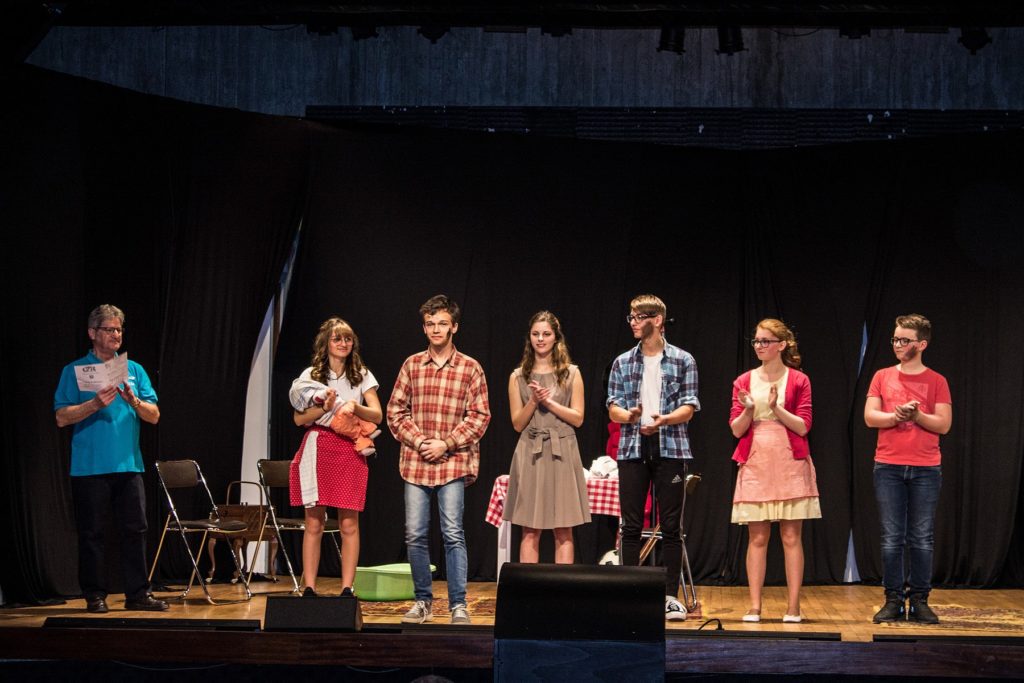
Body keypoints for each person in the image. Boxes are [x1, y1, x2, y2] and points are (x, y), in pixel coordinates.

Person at [53, 304, 168, 613]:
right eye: (109, 329)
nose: (116, 334)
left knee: (135, 530)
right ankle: (95, 594)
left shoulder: (135, 370)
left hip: (128, 465)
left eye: (119, 329)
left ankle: (138, 594)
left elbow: (154, 416)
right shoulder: (75, 370)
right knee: (92, 533)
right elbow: (62, 417)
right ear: (93, 333)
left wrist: (134, 400)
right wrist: (93, 404)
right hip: (89, 467)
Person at [387, 295, 491, 624]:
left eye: (442, 323)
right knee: (415, 534)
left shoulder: (470, 367)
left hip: (453, 461)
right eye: (430, 324)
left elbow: (479, 416)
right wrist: (421, 442)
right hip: (417, 462)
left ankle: (458, 604)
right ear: (424, 328)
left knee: (453, 533)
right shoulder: (411, 364)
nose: (436, 329)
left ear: (454, 327)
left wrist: (445, 443)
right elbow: (394, 411)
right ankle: (422, 601)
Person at [606, 294, 699, 622]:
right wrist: (630, 416)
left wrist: (664, 419)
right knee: (630, 526)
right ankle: (631, 595)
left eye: (639, 316)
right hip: (632, 451)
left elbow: (689, 405)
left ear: (657, 320)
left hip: (671, 449)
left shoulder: (682, 360)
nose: (633, 322)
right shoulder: (623, 362)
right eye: (630, 316)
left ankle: (671, 597)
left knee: (672, 527)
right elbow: (613, 405)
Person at [729, 318, 820, 623]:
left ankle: (793, 606)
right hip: (756, 458)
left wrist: (777, 407)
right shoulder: (743, 381)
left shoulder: (798, 380)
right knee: (757, 537)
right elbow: (736, 429)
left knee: (792, 536)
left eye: (765, 341)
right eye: (756, 341)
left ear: (781, 345)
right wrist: (750, 408)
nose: (759, 346)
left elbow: (804, 425)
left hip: (789, 458)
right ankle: (755, 605)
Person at [864, 314, 952, 624]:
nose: (898, 345)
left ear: (921, 344)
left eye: (904, 340)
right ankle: (892, 599)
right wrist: (896, 416)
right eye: (895, 339)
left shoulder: (936, 380)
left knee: (921, 537)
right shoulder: (882, 376)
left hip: (926, 468)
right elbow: (870, 417)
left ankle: (919, 600)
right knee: (891, 537)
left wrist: (917, 417)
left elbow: (943, 424)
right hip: (888, 466)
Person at [288, 317, 382, 597]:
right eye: (337, 339)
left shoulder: (361, 374)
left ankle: (346, 588)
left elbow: (377, 415)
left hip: (349, 449)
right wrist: (324, 407)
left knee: (349, 523)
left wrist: (355, 407)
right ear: (326, 343)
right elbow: (298, 419)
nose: (343, 344)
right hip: (319, 446)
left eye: (348, 339)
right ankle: (309, 587)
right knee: (314, 521)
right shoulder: (311, 376)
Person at [504, 311, 590, 564]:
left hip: (562, 449)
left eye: (546, 334)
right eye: (535, 334)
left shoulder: (571, 373)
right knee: (530, 528)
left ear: (556, 337)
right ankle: (530, 591)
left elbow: (578, 418)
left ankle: (562, 591)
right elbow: (518, 424)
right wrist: (533, 401)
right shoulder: (517, 376)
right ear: (529, 338)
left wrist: (549, 402)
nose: (540, 339)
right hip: (530, 450)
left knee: (563, 528)